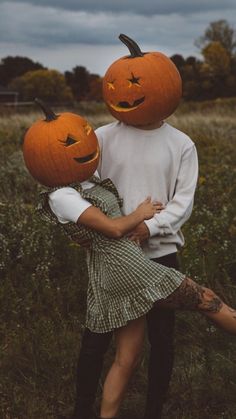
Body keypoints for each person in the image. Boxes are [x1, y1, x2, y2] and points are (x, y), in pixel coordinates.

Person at [40, 166, 236, 419]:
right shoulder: (61, 196)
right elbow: (113, 229)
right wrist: (140, 215)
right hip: (129, 269)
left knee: (128, 357)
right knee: (206, 299)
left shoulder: (83, 181)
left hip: (117, 269)